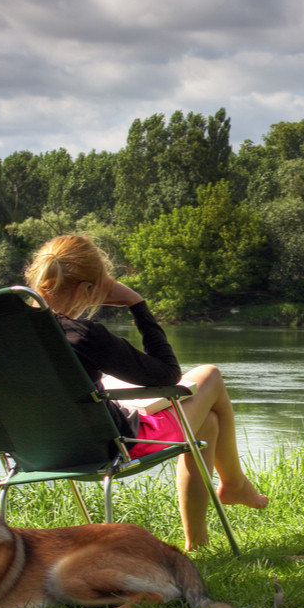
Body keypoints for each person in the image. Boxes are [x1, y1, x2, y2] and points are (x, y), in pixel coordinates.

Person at [24, 234, 268, 551]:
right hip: (114, 447)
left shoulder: (3, 336)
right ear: (87, 289)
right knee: (210, 375)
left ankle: (199, 543)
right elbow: (168, 375)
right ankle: (234, 483)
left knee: (207, 424)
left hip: (36, 451)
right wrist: (137, 305)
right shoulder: (84, 336)